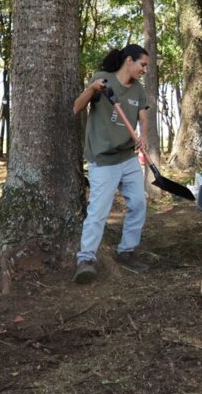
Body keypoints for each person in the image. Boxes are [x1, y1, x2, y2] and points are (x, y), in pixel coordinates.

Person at [72, 44, 151, 284]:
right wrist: (91, 89)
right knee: (98, 210)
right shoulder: (103, 79)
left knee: (139, 203)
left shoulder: (138, 89)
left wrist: (143, 136)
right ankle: (86, 259)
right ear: (129, 61)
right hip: (103, 159)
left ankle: (127, 251)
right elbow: (77, 107)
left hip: (127, 157)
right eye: (143, 64)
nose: (144, 70)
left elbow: (143, 118)